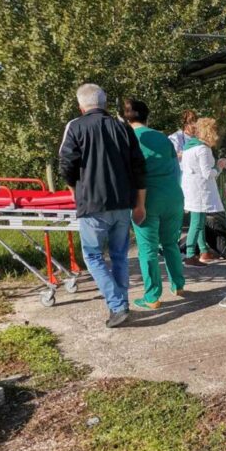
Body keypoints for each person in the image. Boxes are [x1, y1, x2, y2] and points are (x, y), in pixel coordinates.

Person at [59, 83, 145, 328]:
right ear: (105, 104)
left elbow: (66, 162)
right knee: (119, 256)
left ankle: (117, 305)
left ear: (80, 105)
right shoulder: (123, 128)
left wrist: (74, 187)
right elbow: (139, 167)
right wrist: (139, 203)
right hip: (122, 202)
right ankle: (122, 305)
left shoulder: (75, 127)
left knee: (93, 256)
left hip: (92, 204)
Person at [123, 99, 185, 309]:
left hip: (147, 198)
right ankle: (178, 285)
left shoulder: (128, 139)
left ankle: (152, 297)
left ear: (125, 118)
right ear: (147, 116)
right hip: (173, 195)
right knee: (170, 243)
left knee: (147, 249)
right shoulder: (163, 138)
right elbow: (176, 169)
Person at [181, 117, 224, 267]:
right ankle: (190, 255)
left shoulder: (188, 147)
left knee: (198, 220)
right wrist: (219, 166)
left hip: (191, 188)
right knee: (197, 222)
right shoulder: (203, 149)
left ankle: (204, 250)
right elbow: (207, 173)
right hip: (200, 190)